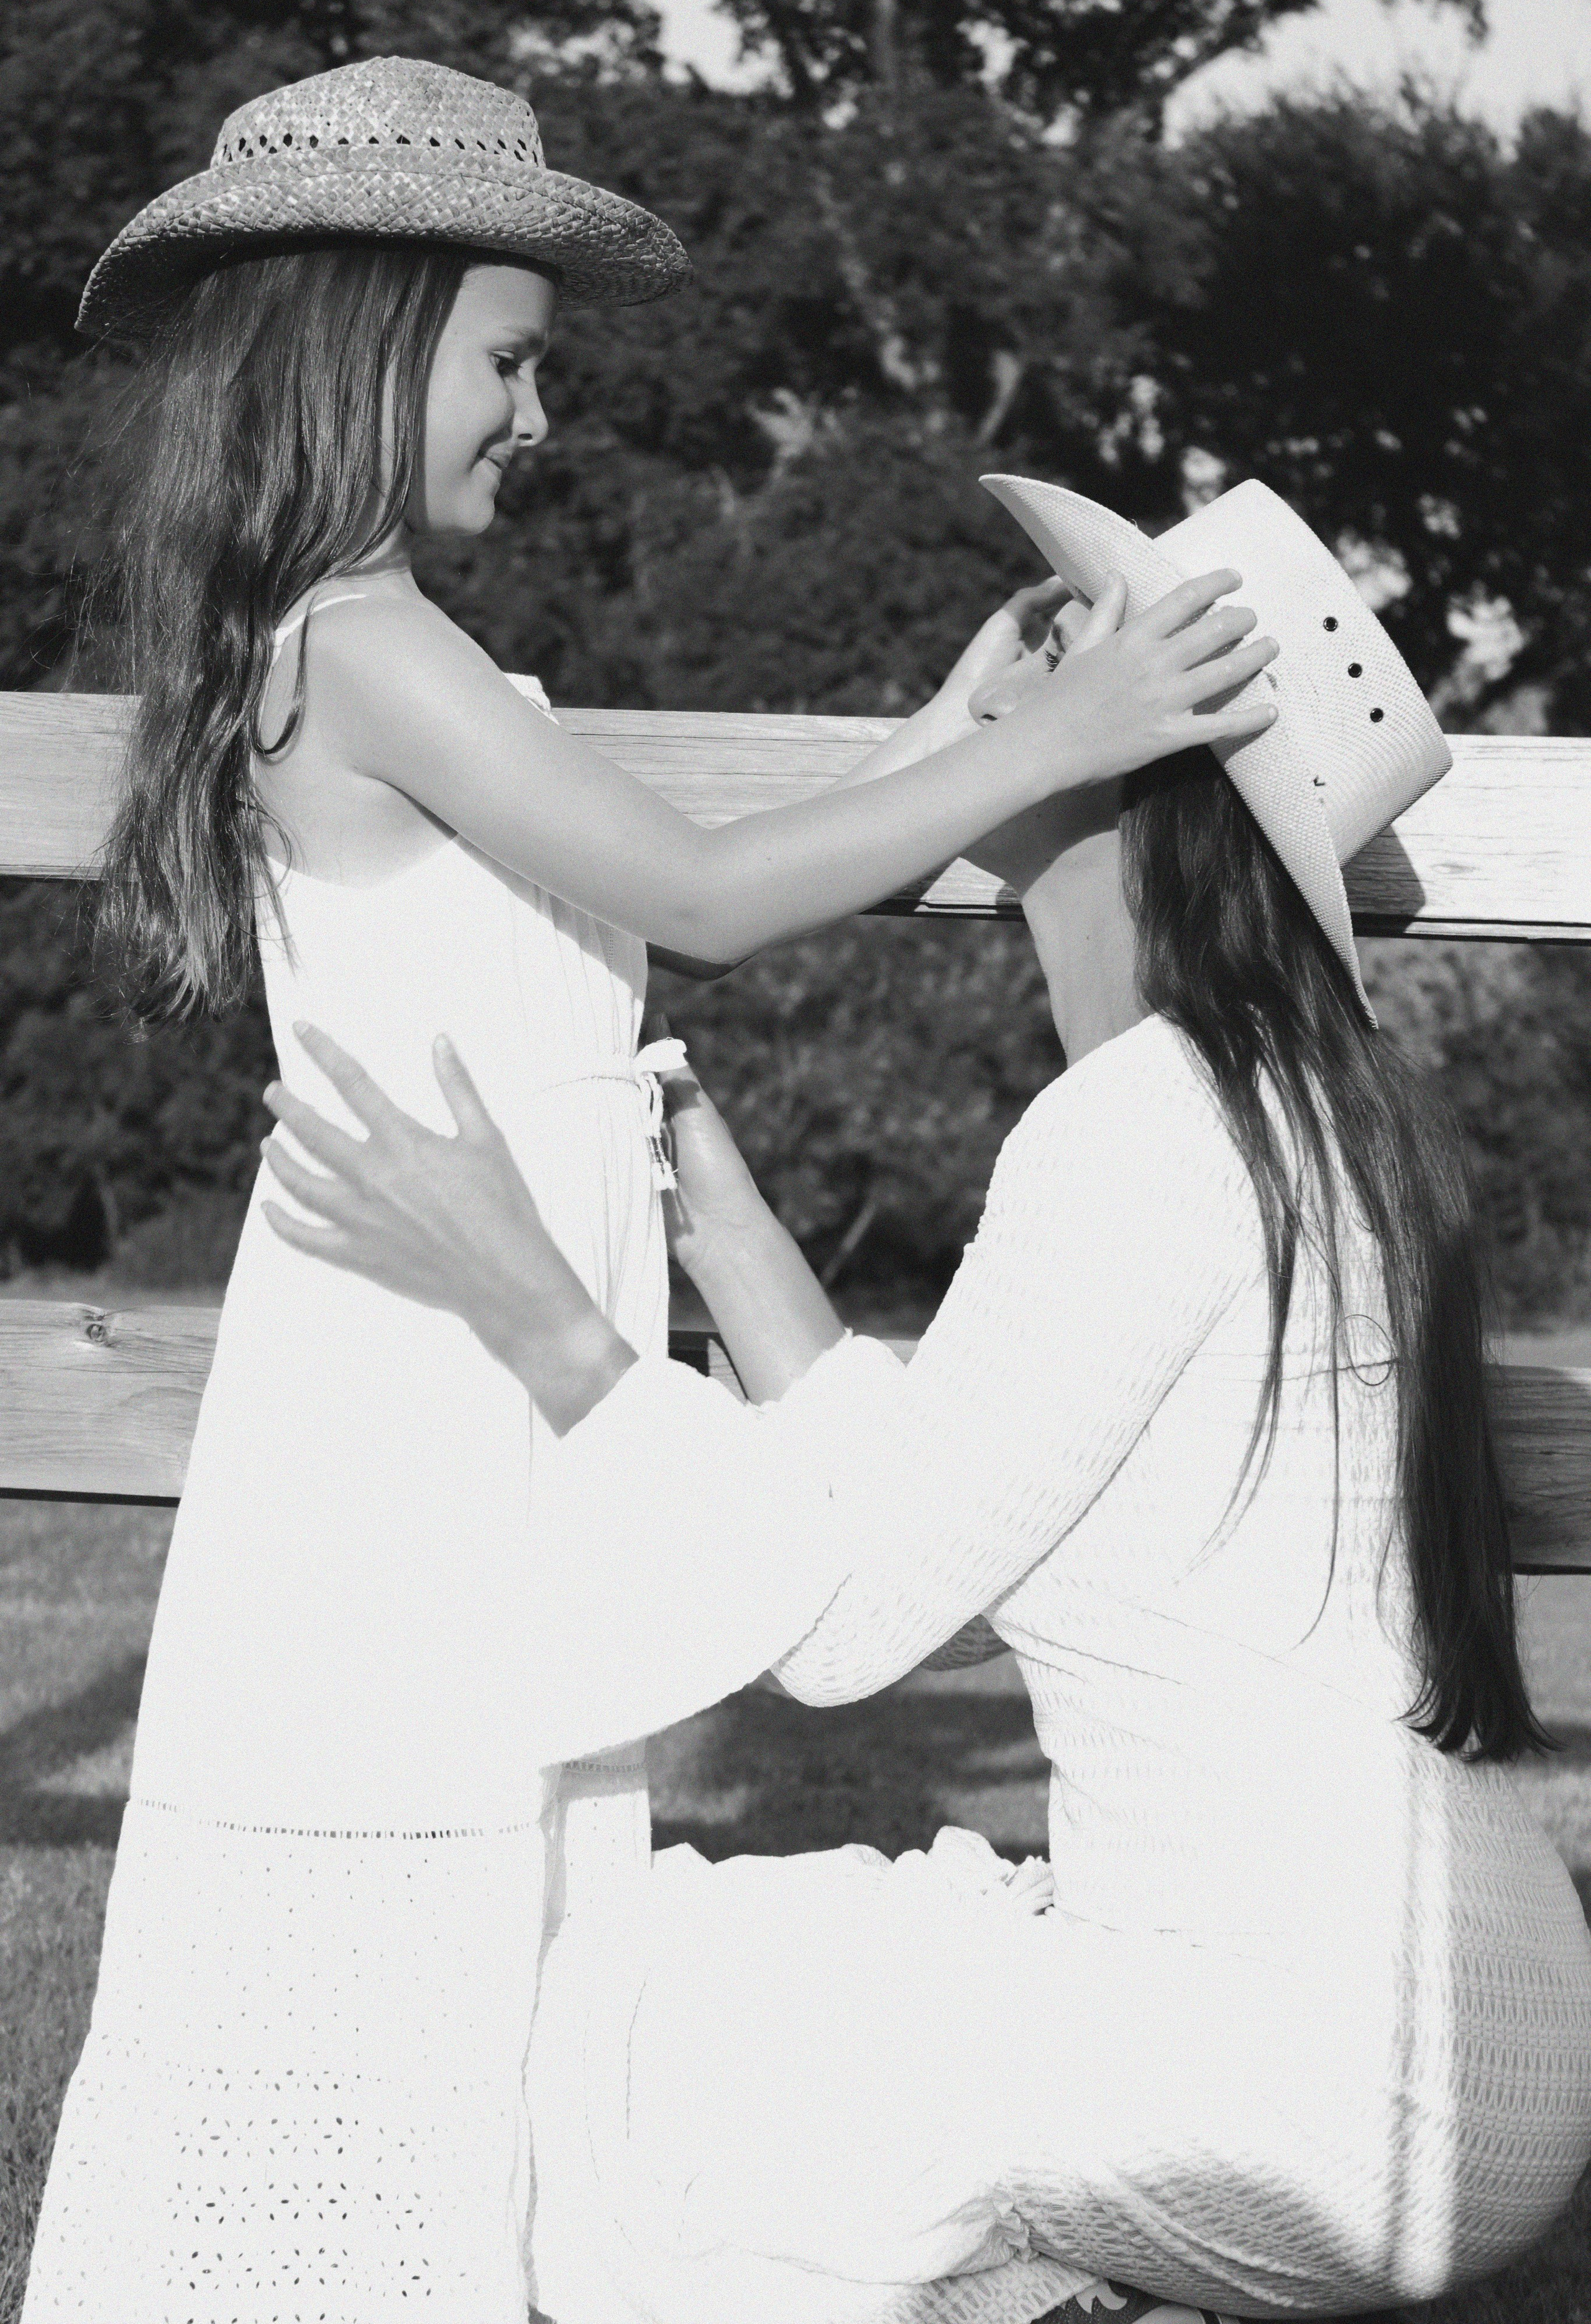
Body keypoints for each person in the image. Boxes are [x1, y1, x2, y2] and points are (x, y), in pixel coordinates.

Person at [22, 60, 1277, 2323]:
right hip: (422, 1382)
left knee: (496, 1897)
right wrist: (1053, 754)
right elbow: (694, 895)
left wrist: (934, 748)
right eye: (510, 359)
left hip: (447, 1360)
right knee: (414, 1893)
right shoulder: (371, 643)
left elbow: (599, 921)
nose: (539, 415)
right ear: (367, 334)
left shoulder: (362, 642)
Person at [257, 477, 1591, 2323]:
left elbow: (850, 1633)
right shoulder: (1329, 1128)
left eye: (1068, 656)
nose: (1016, 680)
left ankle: (1039, 2284)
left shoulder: (1141, 1129)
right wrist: (710, 1209)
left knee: (604, 2040)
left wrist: (541, 1312)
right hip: (1496, 2034)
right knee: (789, 1985)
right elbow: (948, 1527)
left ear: (1135, 772)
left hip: (1309, 2089)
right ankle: (1054, 2283)